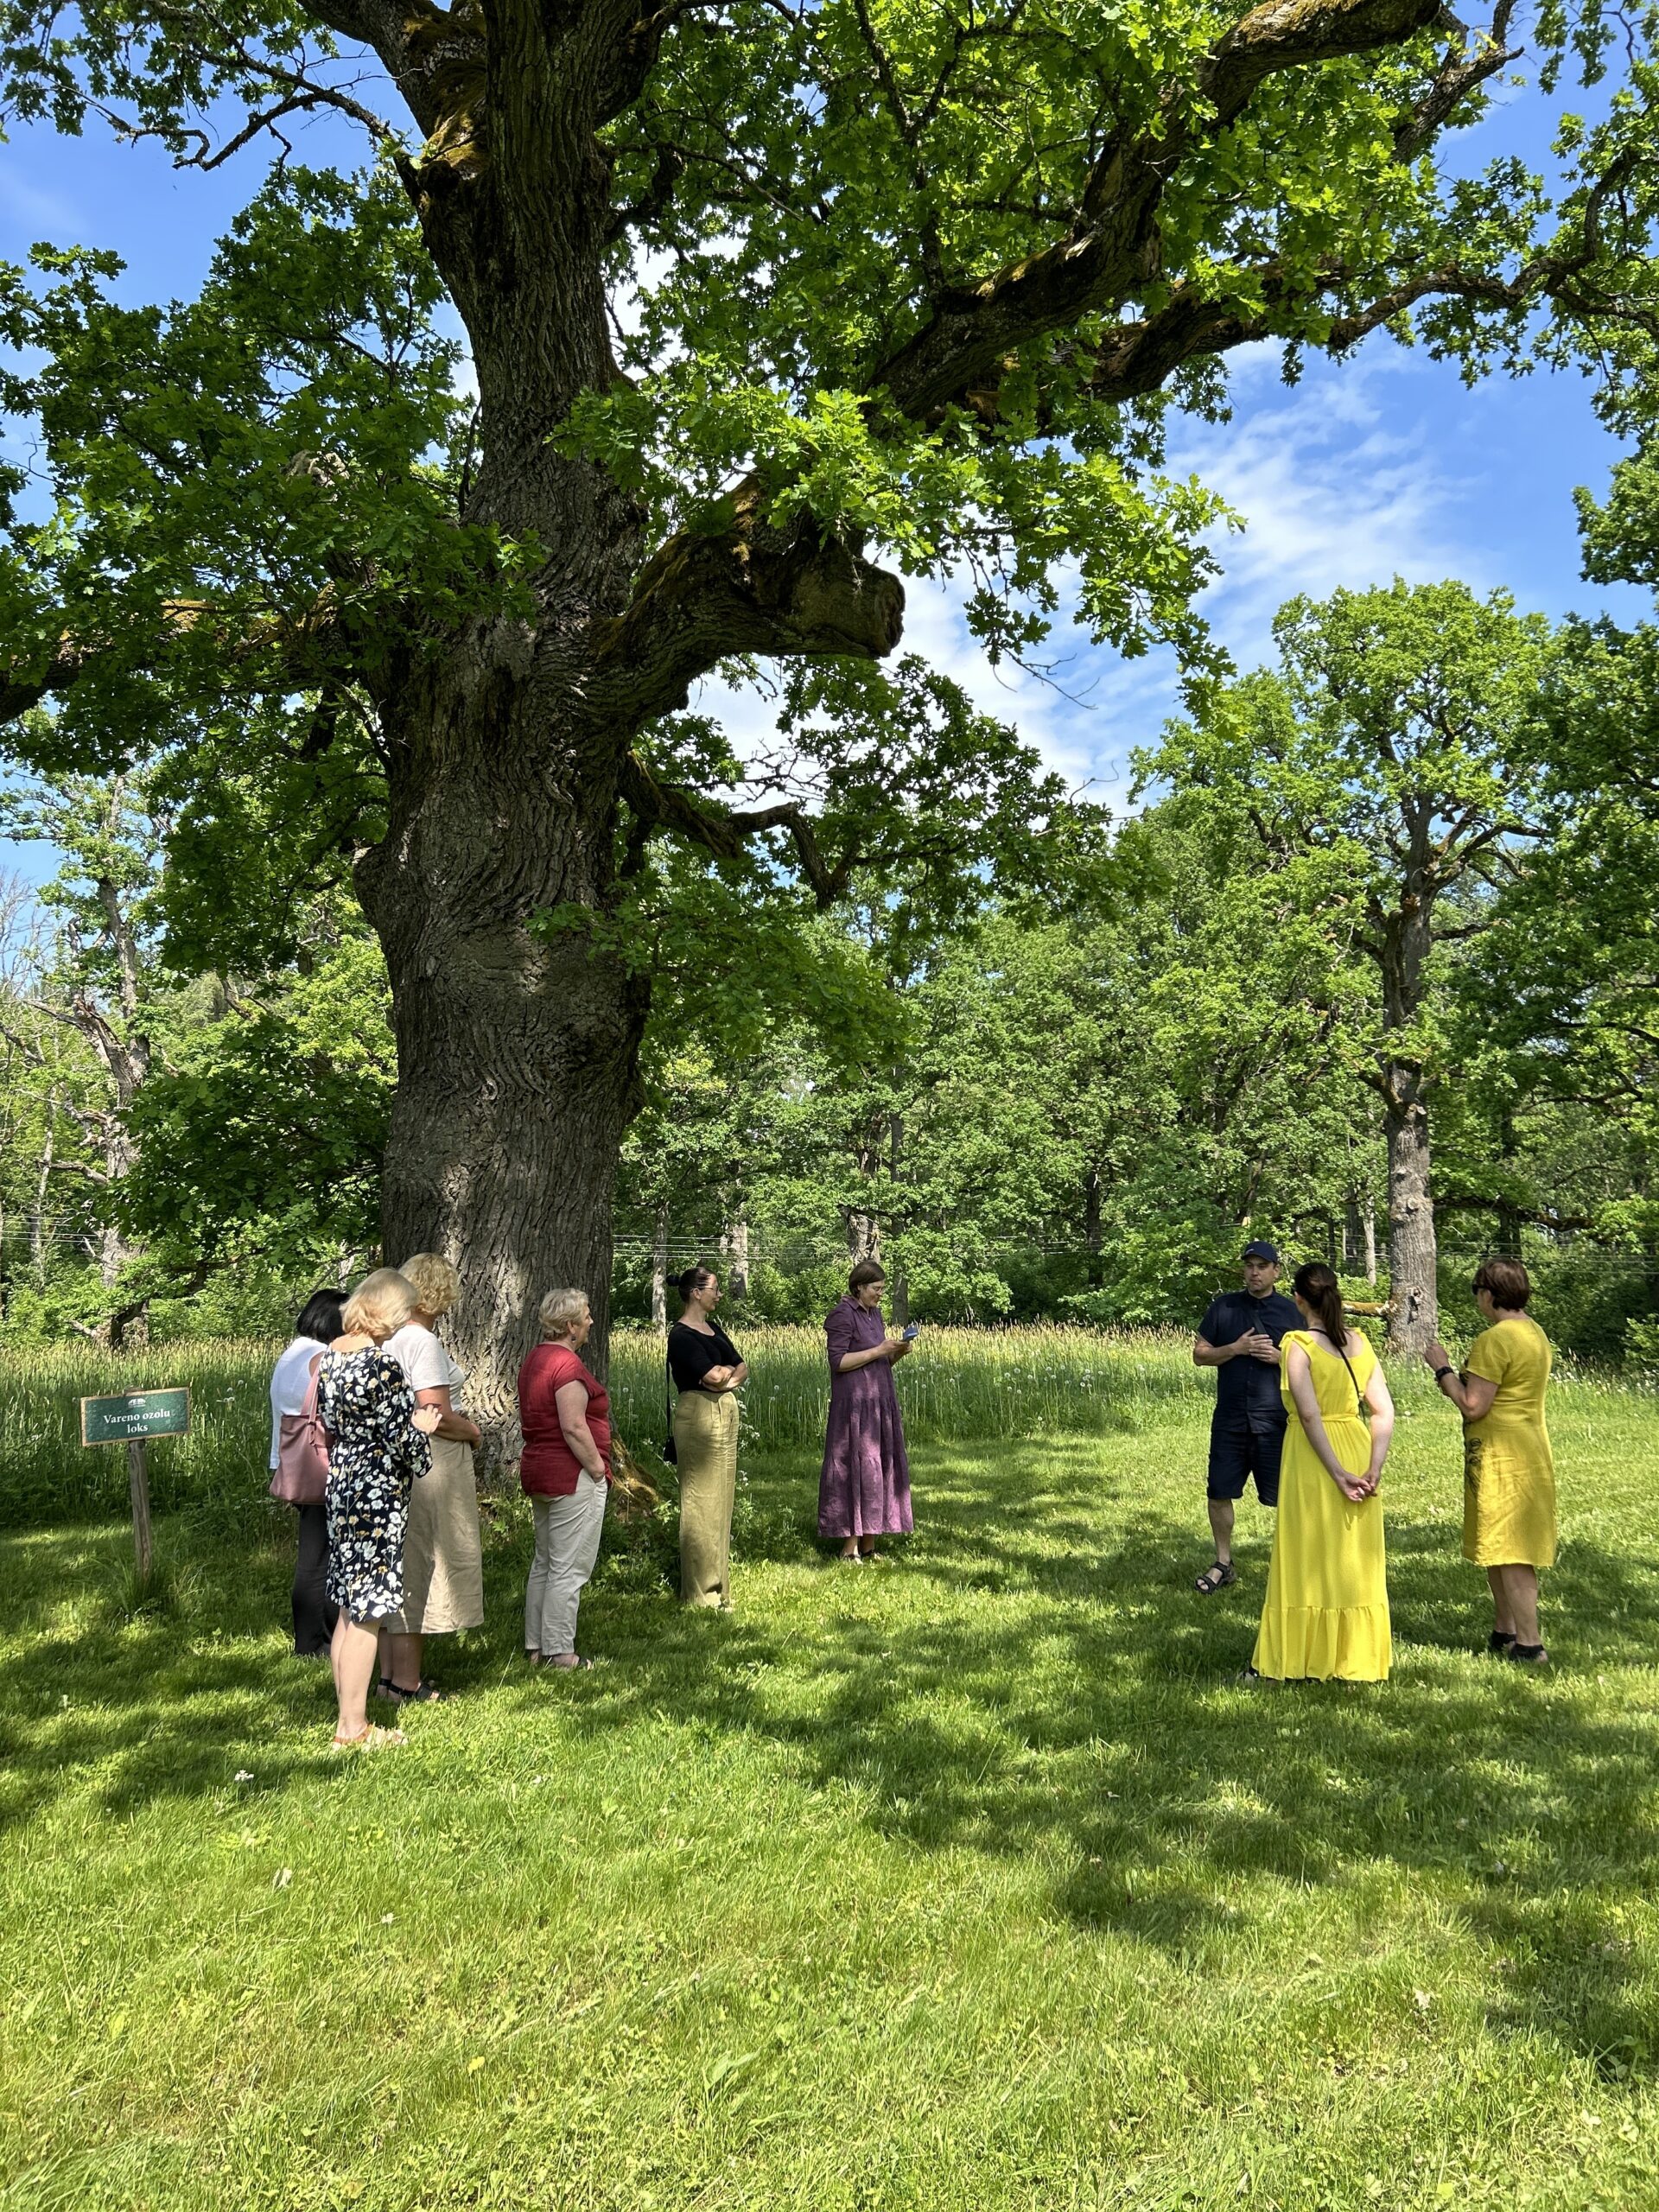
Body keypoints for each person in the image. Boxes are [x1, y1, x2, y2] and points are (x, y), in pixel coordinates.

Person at [1249, 1261, 1395, 1684]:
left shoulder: (1297, 1344)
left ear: (1298, 1300)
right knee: (1352, 1557)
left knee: (1307, 1551)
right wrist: (1373, 1467)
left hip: (1315, 1457)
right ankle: (1352, 1657)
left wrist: (1335, 1473)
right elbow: (1383, 1411)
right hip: (1355, 1444)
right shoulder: (1361, 1343)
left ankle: (1301, 1659)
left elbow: (1310, 1416)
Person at [316, 1269, 442, 1751]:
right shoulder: (381, 1365)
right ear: (389, 1311)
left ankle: (348, 1715)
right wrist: (423, 1427)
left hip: (344, 1480)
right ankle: (353, 1728)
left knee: (350, 1606)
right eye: (404, 1309)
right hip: (377, 1490)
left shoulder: (332, 1357)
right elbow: (401, 1440)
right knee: (368, 1611)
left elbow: (333, 1422)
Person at [1425, 1257, 1555, 1666]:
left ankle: (1530, 1645)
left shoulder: (1495, 1339)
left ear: (1489, 1293)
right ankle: (1506, 1631)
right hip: (1529, 1449)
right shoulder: (1535, 1333)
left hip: (1503, 1456)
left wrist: (1442, 1367)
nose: (1477, 1300)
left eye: (1477, 1292)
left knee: (1513, 1548)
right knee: (1498, 1544)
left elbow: (1473, 1405)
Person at [380, 1252, 485, 1703]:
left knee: (403, 1562)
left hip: (403, 1459)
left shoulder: (391, 1338)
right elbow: (434, 1413)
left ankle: (387, 1680)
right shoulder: (422, 1342)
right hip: (432, 1460)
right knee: (422, 1563)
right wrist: (474, 1432)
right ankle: (406, 1682)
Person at [1192, 1241, 1301, 1596]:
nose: (1254, 1272)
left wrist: (1280, 1357)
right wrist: (1235, 1349)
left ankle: (1293, 1568)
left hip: (1276, 1421)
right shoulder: (1223, 1307)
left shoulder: (1293, 1312)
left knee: (1287, 1497)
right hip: (1231, 1418)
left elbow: (1318, 1363)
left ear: (1276, 1272)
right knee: (1219, 1491)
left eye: (1262, 1266)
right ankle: (1223, 1562)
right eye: (1249, 1266)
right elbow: (1199, 1355)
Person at [518, 1287, 613, 1669]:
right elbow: (574, 1426)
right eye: (586, 1316)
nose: (591, 1321)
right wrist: (597, 1470)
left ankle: (536, 1647)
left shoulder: (536, 1359)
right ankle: (561, 1652)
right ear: (571, 1326)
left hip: (540, 1470)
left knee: (545, 1561)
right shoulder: (567, 1366)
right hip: (570, 1475)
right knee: (568, 1567)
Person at [268, 1287, 346, 1656]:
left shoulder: (292, 1353)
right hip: (319, 1464)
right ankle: (316, 1639)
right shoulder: (321, 1358)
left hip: (291, 1462)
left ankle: (312, 1637)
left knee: (314, 1553)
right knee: (320, 1557)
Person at [819, 1259, 913, 1562]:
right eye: (876, 1288)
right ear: (859, 1286)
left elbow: (879, 1363)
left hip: (879, 1401)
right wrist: (878, 1350)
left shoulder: (875, 1314)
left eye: (883, 1289)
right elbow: (839, 1363)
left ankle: (870, 1544)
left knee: (878, 1469)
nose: (880, 1294)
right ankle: (850, 1548)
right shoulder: (842, 1315)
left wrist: (895, 1352)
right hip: (854, 1406)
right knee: (857, 1469)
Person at [668, 1264, 747, 1609]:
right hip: (698, 1415)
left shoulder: (713, 1328)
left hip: (725, 1412)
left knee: (722, 1500)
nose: (718, 1294)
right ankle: (699, 1593)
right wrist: (723, 1377)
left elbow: (740, 1366)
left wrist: (725, 1379)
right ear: (696, 1293)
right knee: (701, 1502)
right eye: (713, 1288)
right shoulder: (682, 1335)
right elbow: (713, 1374)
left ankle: (719, 1587)